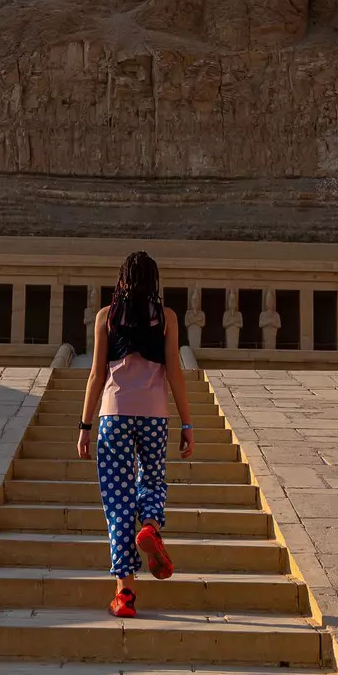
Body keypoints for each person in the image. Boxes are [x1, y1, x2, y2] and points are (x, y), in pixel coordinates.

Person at [76, 250, 195, 618]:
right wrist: (187, 424)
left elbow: (96, 375)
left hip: (113, 415)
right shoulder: (167, 318)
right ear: (154, 280)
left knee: (118, 503)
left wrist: (84, 425)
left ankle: (125, 593)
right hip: (155, 415)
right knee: (153, 481)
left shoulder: (105, 317)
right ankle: (150, 525)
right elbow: (174, 372)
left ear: (122, 278)